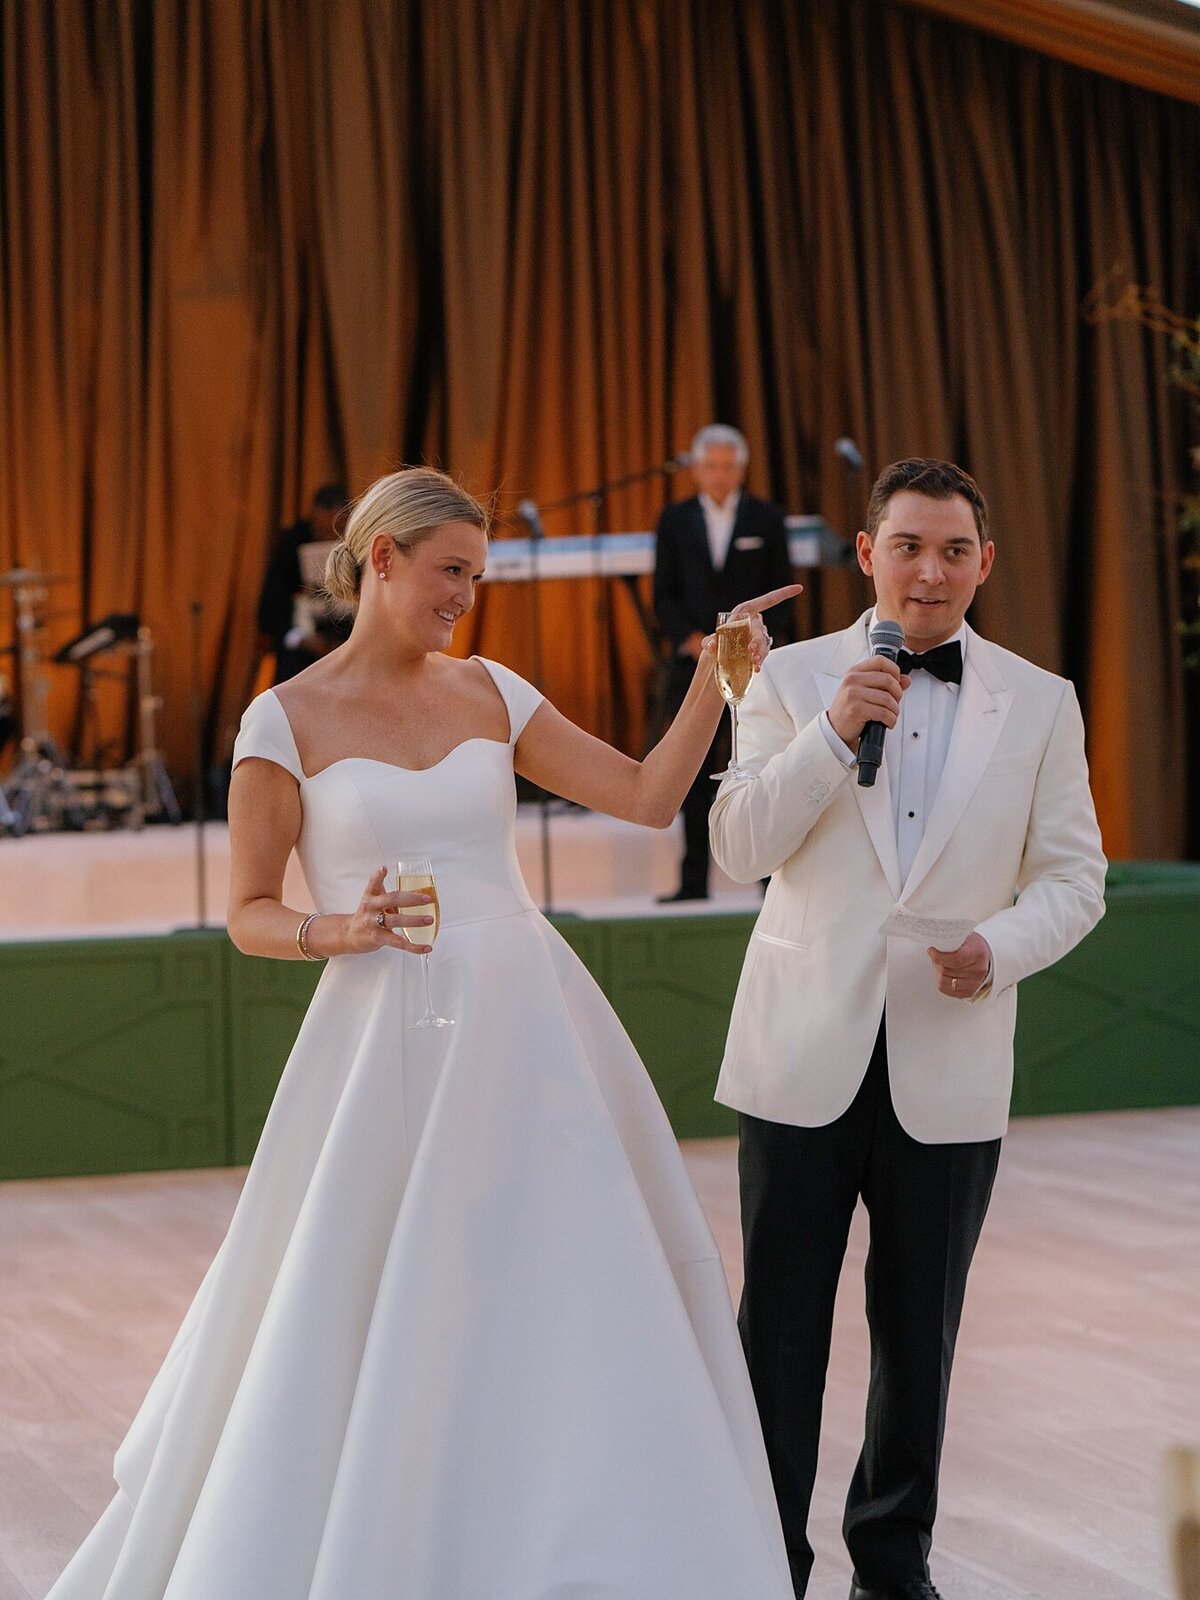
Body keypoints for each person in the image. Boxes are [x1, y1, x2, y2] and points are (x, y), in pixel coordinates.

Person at [46, 466, 802, 1600]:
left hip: (528, 1028)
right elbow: (249, 910)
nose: (467, 596)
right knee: (376, 1297)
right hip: (379, 1038)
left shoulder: (493, 691)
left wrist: (716, 677)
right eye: (451, 571)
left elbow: (648, 797)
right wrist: (331, 928)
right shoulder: (282, 718)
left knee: (558, 1285)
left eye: (479, 577)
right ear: (381, 558)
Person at [709, 459, 1107, 1600]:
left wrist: (1001, 947)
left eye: (952, 550)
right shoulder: (785, 675)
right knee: (777, 1330)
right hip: (800, 1056)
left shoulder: (1041, 700)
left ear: (985, 561)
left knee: (917, 1333)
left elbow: (1076, 879)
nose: (929, 571)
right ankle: (759, 1560)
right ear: (866, 550)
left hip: (952, 1049)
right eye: (908, 546)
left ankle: (892, 1563)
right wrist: (834, 730)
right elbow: (739, 845)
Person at [652, 424, 796, 900]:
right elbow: (664, 593)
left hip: (753, 669)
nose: (719, 475)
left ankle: (766, 878)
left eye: (728, 466)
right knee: (692, 771)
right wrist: (691, 640)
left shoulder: (767, 518)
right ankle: (693, 881)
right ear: (697, 469)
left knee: (758, 764)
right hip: (694, 665)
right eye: (711, 465)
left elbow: (783, 590)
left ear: (742, 469)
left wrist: (754, 642)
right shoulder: (673, 521)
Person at [256, 482, 352, 683]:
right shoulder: (292, 544)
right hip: (301, 638)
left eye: (336, 529)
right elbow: (272, 603)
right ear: (314, 515)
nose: (329, 534)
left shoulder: (356, 545)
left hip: (348, 636)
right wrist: (303, 640)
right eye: (323, 528)